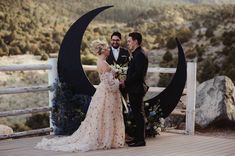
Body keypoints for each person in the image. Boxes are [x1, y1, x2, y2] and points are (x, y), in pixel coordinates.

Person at [35, 40, 125, 152]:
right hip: (107, 94)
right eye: (107, 49)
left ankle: (105, 137)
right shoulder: (104, 64)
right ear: (103, 51)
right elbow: (109, 84)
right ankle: (105, 139)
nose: (109, 50)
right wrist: (119, 83)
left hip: (102, 92)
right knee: (106, 115)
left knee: (102, 116)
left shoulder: (100, 62)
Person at [120, 32, 148, 147]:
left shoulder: (140, 54)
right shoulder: (136, 53)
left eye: (129, 41)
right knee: (137, 115)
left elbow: (138, 75)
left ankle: (141, 141)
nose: (128, 43)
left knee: (139, 115)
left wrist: (125, 82)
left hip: (136, 89)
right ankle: (137, 138)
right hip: (133, 89)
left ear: (136, 41)